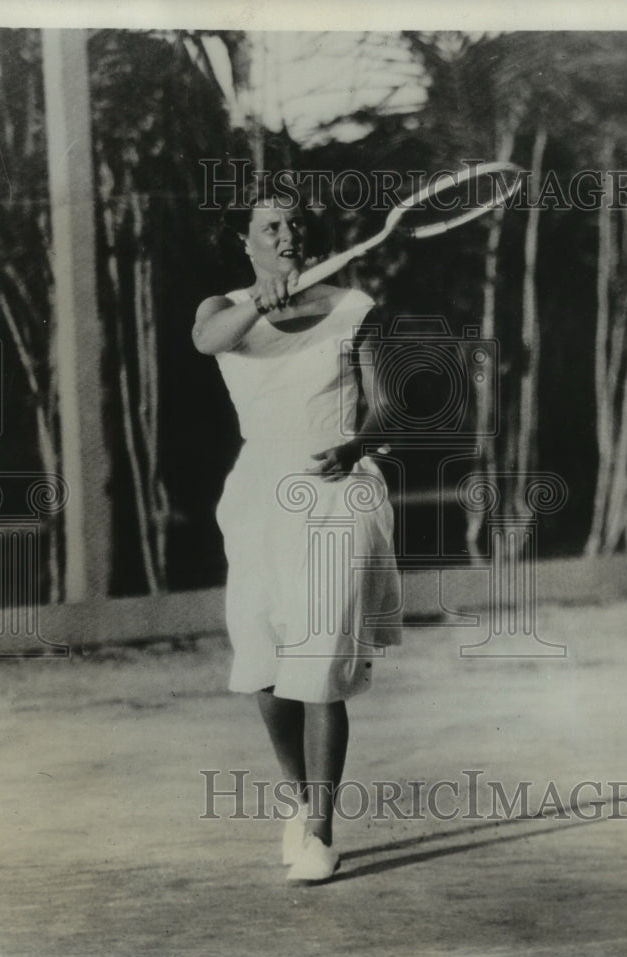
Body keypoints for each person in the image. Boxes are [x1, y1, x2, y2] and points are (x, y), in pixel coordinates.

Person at [193, 182, 401, 884]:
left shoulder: (353, 308)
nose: (287, 236)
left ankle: (319, 830)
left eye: (297, 225)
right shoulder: (221, 309)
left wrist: (354, 445)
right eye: (271, 226)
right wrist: (261, 299)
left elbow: (389, 407)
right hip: (257, 500)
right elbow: (207, 342)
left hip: (338, 494)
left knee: (320, 668)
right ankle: (299, 795)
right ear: (246, 240)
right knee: (263, 670)